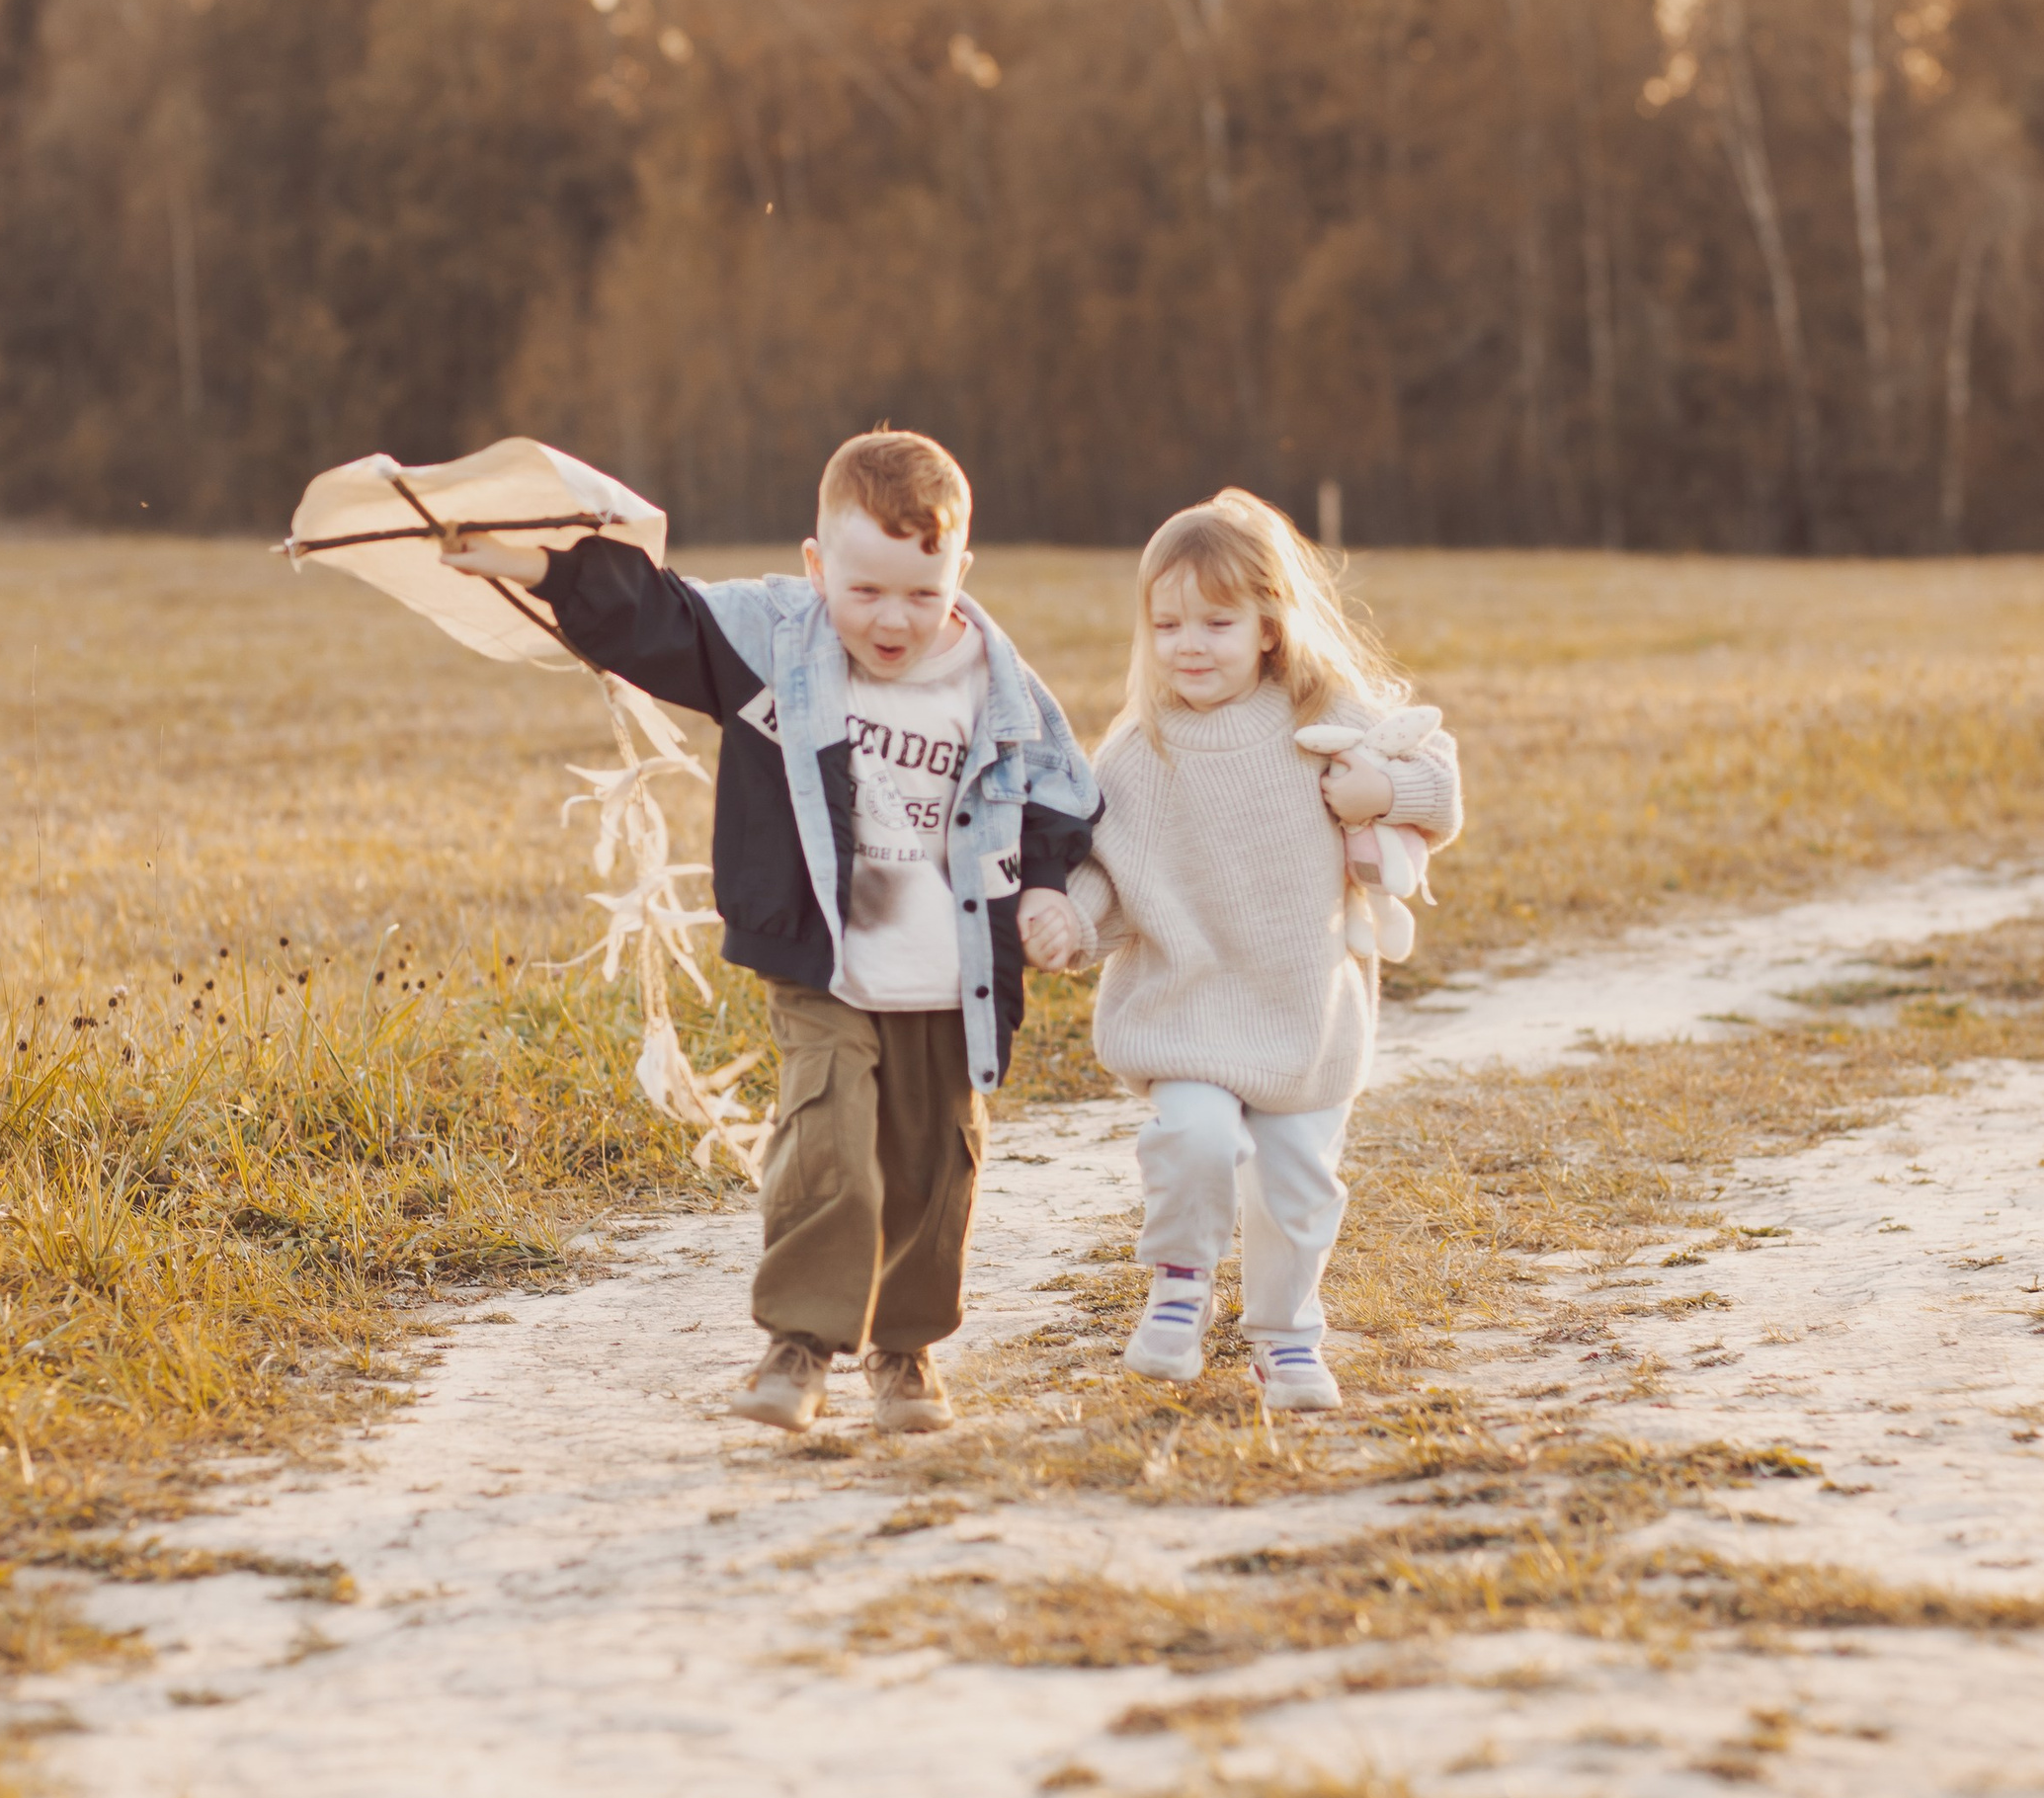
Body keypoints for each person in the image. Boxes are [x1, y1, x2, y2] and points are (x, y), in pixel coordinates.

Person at [442, 430, 1099, 1434]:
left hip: (952, 967)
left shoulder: (997, 685)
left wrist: (1048, 894)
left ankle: (906, 1352)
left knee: (935, 1162)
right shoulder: (772, 639)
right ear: (815, 563)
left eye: (921, 594)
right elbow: (660, 615)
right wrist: (540, 567)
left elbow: (1058, 800)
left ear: (960, 572)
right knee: (827, 1139)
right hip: (822, 954)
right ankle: (797, 1344)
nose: (892, 618)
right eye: (863, 588)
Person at [1019, 491, 1463, 1413]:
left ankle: (1284, 1335)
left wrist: (1378, 787)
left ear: (1268, 625)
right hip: (1187, 1009)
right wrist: (1068, 919)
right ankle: (1179, 1285)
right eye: (1168, 622)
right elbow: (1111, 871)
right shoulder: (1141, 751)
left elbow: (1440, 790)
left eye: (1218, 622)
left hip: (1305, 1012)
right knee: (1194, 1134)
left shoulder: (1319, 715)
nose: (1190, 643)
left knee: (1297, 1186)